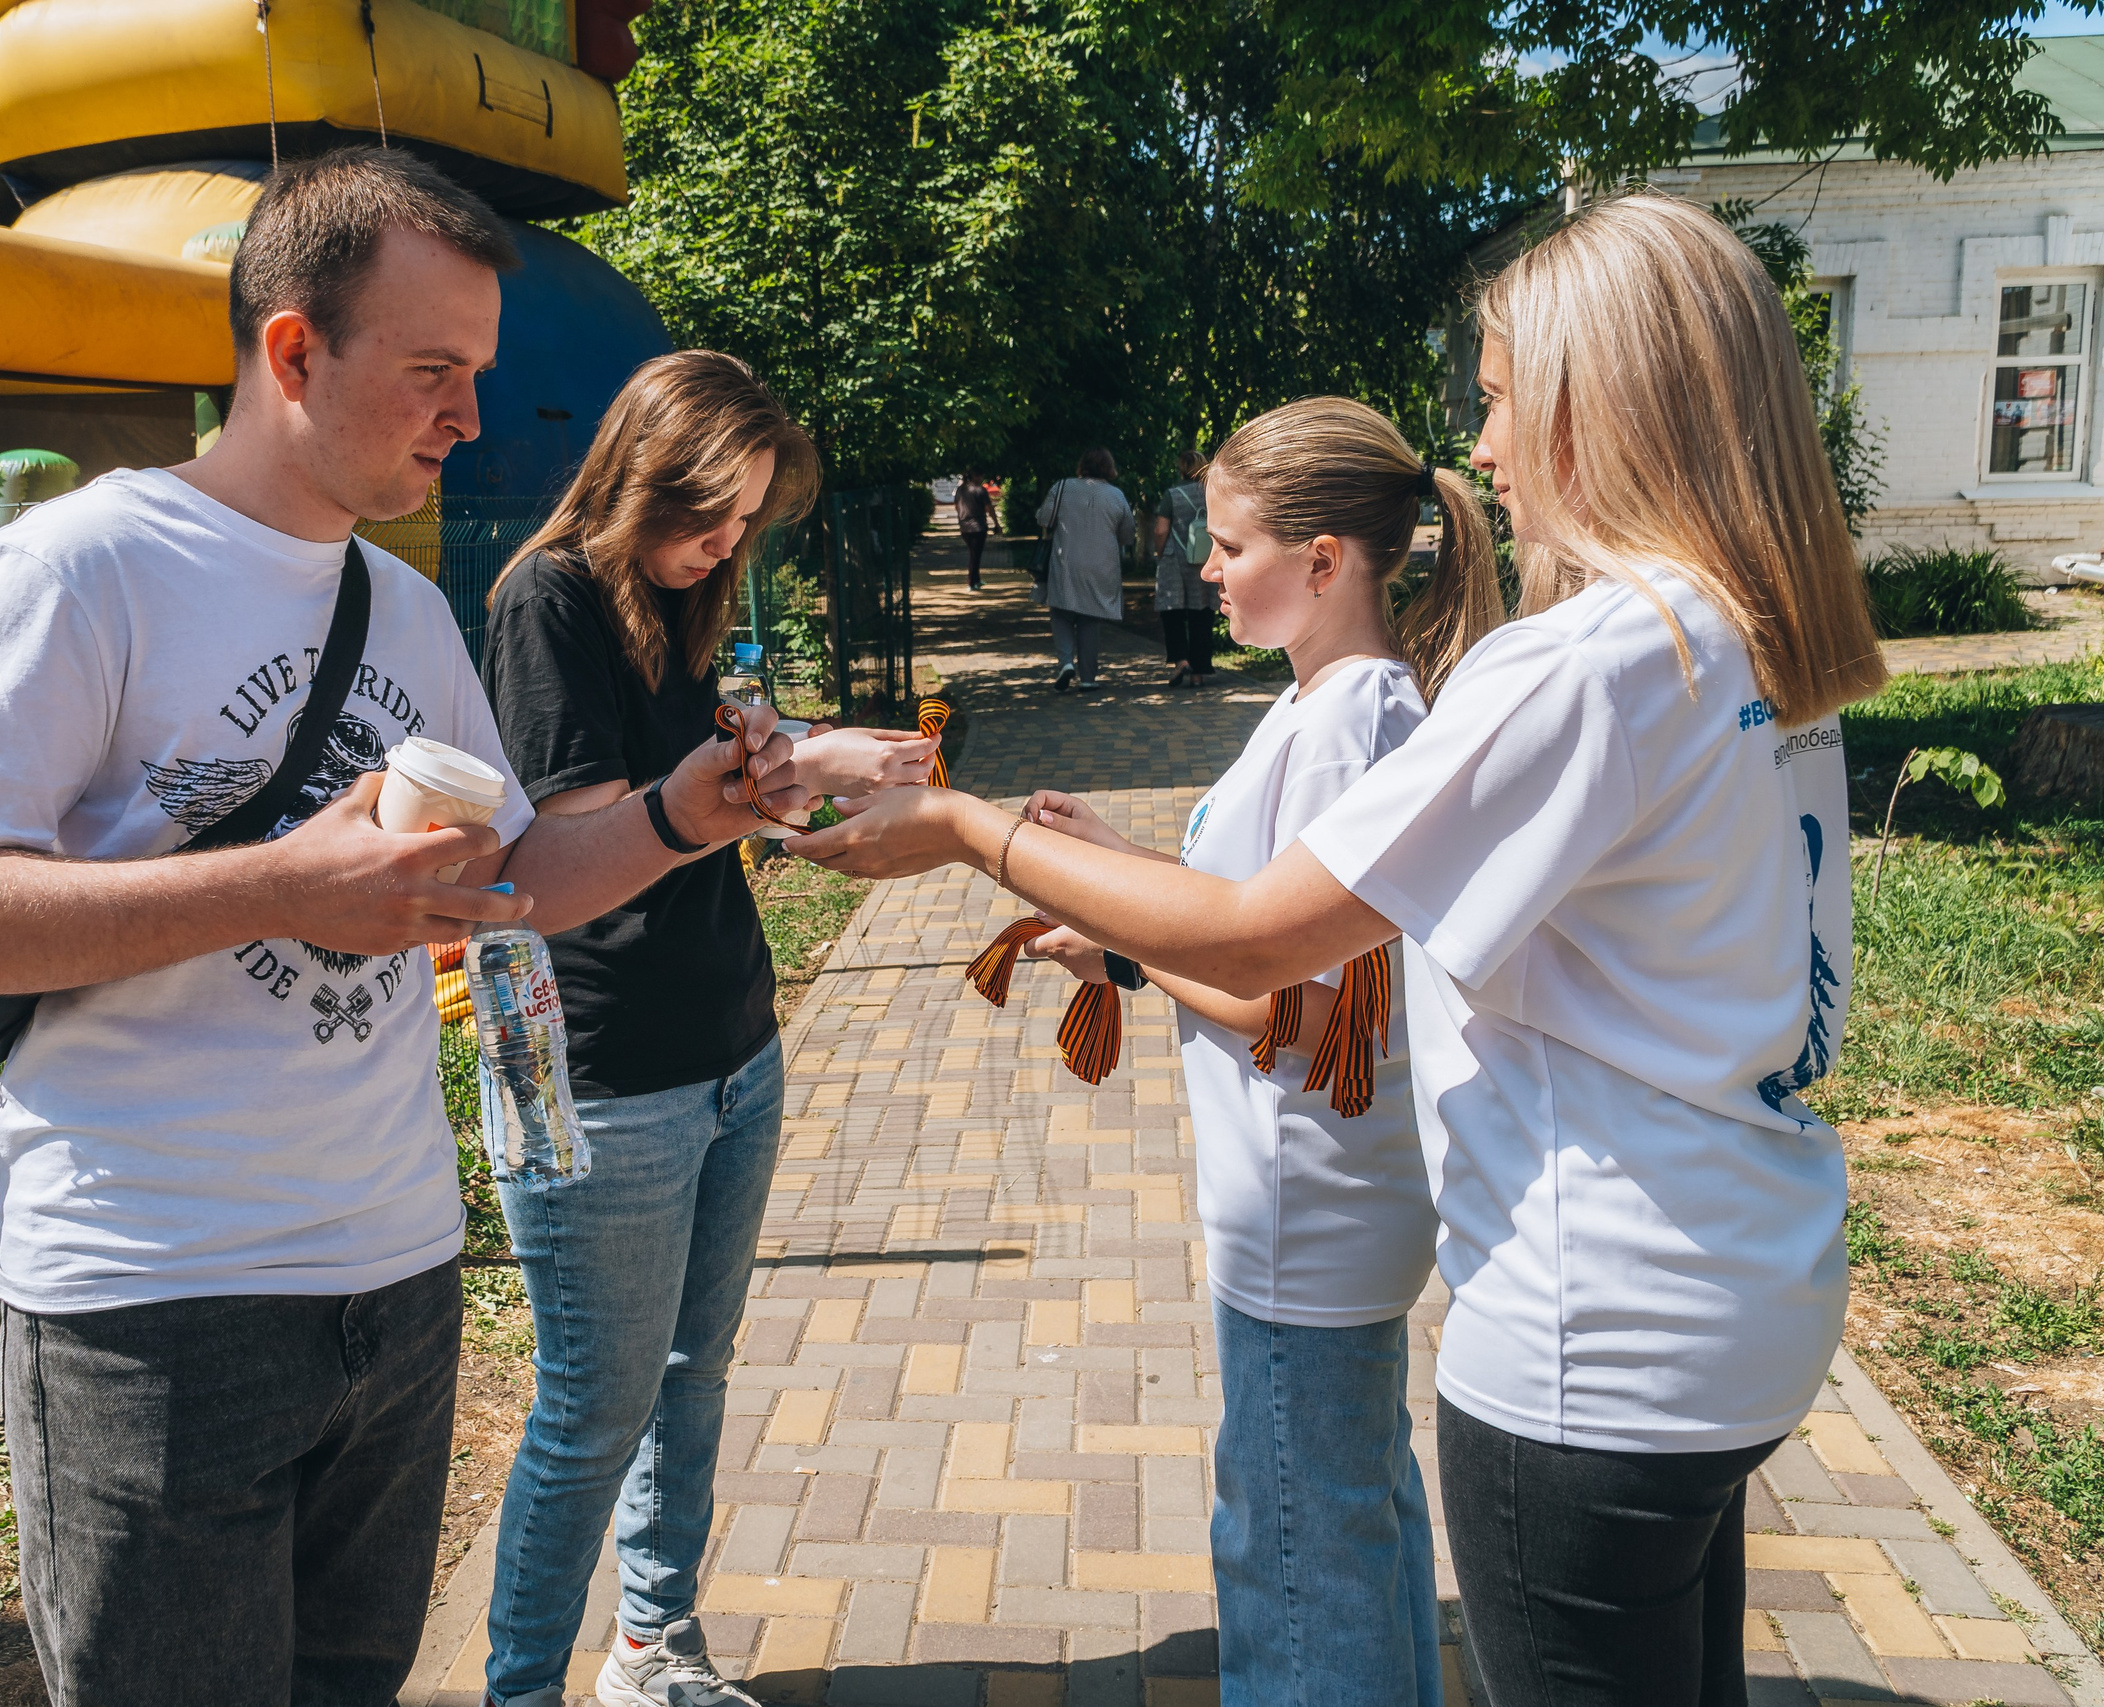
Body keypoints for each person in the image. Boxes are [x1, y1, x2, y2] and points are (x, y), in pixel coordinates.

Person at [789, 192, 1884, 1707]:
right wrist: (1118, 891)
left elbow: (1264, 939)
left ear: (1595, 396)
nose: (1485, 453)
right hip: (1745, 1287)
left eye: (1499, 400)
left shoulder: (1589, 657)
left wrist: (974, 830)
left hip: (1597, 1327)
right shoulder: (1748, 640)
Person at [0, 150, 809, 1707]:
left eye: (478, 374)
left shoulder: (406, 609)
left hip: (397, 1280)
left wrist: (688, 812)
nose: (473, 416)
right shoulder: (82, 565)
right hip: (155, 1303)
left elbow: (517, 886)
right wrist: (285, 885)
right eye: (436, 370)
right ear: (292, 351)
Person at [1015, 398, 1502, 1703]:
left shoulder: (1343, 723)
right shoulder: (1357, 703)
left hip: (1306, 1203)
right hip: (1344, 1193)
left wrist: (1122, 947)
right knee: (1358, 1513)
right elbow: (1263, 921)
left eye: (1231, 544)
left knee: (1289, 1549)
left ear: (1327, 559)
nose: (1207, 565)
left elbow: (1294, 1007)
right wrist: (1122, 881)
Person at [476, 350, 940, 1707]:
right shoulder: (544, 601)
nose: (724, 546)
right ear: (638, 476)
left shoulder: (680, 600)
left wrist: (823, 757)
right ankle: (517, 1686)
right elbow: (576, 837)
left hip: (732, 1046)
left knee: (692, 1369)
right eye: (707, 518)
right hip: (606, 1073)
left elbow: (725, 773)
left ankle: (654, 1648)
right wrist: (733, 797)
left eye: (744, 522)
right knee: (588, 1409)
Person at [1034, 446, 1133, 692]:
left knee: (1061, 614)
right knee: (1090, 619)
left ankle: (1066, 663)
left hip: (1066, 562)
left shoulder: (1062, 487)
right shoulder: (1116, 495)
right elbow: (1128, 533)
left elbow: (1043, 518)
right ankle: (1088, 678)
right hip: (1102, 566)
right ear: (1109, 467)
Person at [1150, 448, 1219, 687]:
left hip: (1175, 562)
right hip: (1204, 560)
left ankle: (1181, 661)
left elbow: (1161, 530)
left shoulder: (1172, 495)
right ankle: (1198, 673)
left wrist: (1159, 554)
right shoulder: (1213, 493)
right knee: (1202, 614)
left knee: (1173, 613)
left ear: (1181, 468)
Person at [953, 467, 992, 590]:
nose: (982, 478)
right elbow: (989, 508)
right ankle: (971, 582)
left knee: (974, 553)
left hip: (964, 527)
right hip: (978, 526)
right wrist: (997, 524)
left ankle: (977, 580)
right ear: (975, 476)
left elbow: (956, 506)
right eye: (980, 476)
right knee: (975, 555)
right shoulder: (980, 490)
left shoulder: (961, 490)